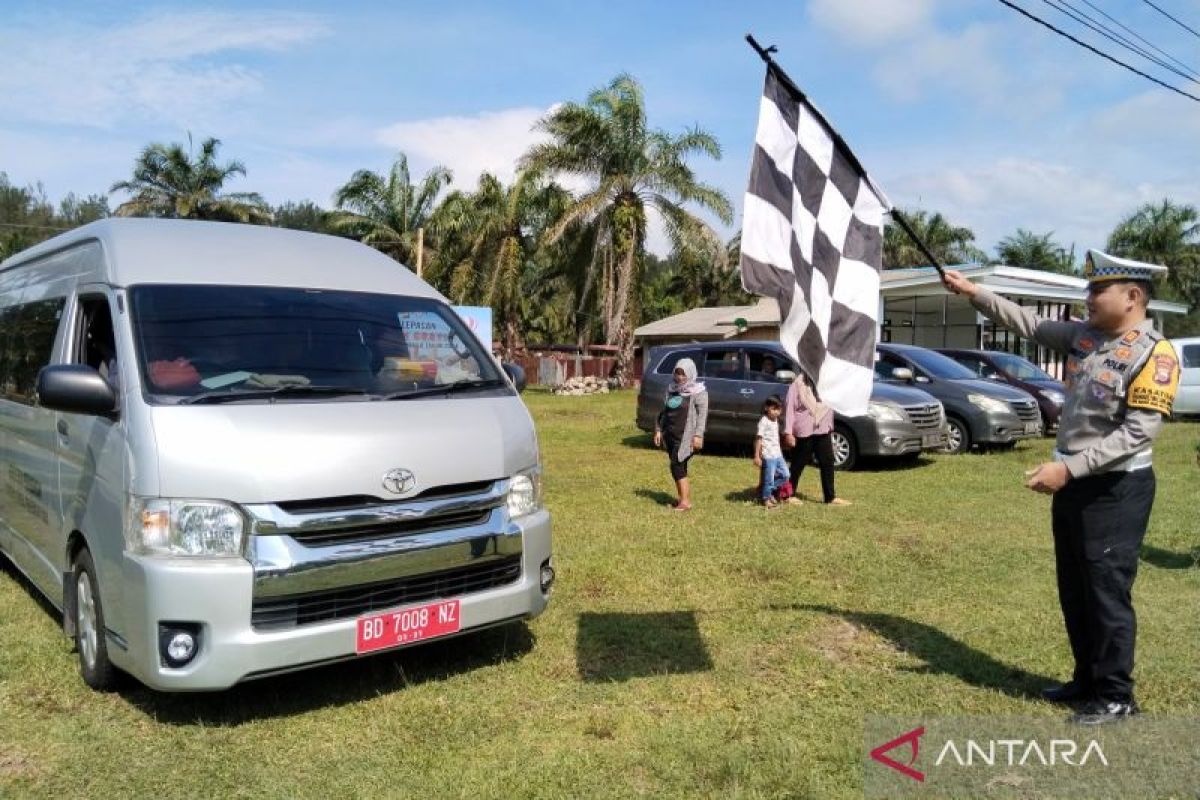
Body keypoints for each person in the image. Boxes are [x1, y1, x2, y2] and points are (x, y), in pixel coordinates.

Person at [942, 250, 1181, 726]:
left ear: (1132, 296)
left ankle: (1117, 696)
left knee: (1106, 591)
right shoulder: (1084, 336)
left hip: (1115, 488)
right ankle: (1086, 680)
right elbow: (1027, 324)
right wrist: (974, 292)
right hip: (1074, 485)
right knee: (1075, 588)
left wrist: (1069, 470)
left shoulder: (1154, 354)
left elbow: (1137, 432)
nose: (1087, 298)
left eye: (1097, 290)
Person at [784, 370, 849, 506]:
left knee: (827, 462)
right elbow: (789, 409)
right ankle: (787, 495)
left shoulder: (828, 385)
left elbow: (832, 405)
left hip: (823, 429)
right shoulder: (797, 385)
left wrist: (830, 425)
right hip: (803, 430)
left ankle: (830, 497)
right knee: (797, 464)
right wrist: (788, 432)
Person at [653, 358, 708, 511]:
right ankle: (682, 499)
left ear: (690, 374)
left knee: (676, 465)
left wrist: (698, 436)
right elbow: (662, 412)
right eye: (677, 373)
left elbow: (702, 416)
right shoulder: (672, 389)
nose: (679, 377)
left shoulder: (699, 392)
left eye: (683, 374)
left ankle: (685, 501)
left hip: (686, 437)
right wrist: (658, 429)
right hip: (670, 435)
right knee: (678, 466)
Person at [754, 396, 789, 508]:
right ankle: (766, 499)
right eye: (774, 409)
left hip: (778, 454)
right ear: (766, 408)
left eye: (779, 409)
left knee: (785, 475)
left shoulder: (776, 420)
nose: (776, 412)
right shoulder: (764, 421)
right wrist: (757, 456)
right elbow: (759, 439)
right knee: (769, 478)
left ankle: (766, 490)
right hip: (768, 456)